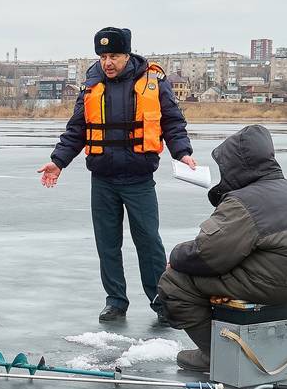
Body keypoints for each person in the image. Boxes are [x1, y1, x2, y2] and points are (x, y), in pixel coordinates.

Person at [38, 27, 195, 324]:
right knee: (107, 243)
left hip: (138, 179)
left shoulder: (153, 83)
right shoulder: (91, 86)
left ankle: (160, 300)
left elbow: (173, 123)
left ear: (127, 55)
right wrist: (57, 162)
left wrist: (182, 152)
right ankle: (115, 301)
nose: (108, 62)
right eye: (103, 56)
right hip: (104, 180)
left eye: (114, 56)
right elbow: (77, 130)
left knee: (148, 241)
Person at [158, 124, 287, 371]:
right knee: (223, 266)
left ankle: (215, 354)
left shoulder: (245, 202)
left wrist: (176, 257)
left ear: (237, 165)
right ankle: (245, 345)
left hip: (270, 283)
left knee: (175, 281)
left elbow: (207, 254)